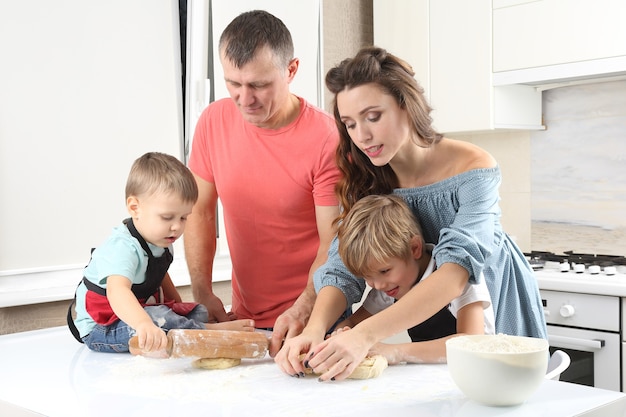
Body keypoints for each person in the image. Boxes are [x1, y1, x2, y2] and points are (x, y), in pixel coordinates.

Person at [275, 46, 547, 380]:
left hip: (492, 300)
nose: (362, 136)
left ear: (406, 105)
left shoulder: (474, 168)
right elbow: (341, 267)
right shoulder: (368, 177)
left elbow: (454, 275)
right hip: (431, 330)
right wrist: (315, 330)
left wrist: (367, 335)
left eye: (373, 117)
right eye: (350, 124)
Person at [184, 10, 341, 356]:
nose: (245, 99)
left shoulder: (327, 139)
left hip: (313, 320)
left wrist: (304, 311)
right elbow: (199, 213)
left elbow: (333, 244)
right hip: (244, 318)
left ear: (291, 70)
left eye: (258, 84)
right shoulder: (212, 121)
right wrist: (202, 290)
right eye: (233, 84)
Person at [67, 152, 253, 354]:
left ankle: (184, 329)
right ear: (135, 208)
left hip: (142, 315)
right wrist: (143, 324)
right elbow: (117, 291)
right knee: (159, 319)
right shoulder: (123, 248)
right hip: (102, 327)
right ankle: (210, 332)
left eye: (183, 218)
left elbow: (160, 276)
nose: (176, 227)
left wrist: (182, 310)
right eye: (167, 217)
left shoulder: (161, 239)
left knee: (198, 311)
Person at [330, 194, 495, 365]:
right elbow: (353, 323)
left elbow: (472, 343)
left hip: (476, 372)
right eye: (367, 277)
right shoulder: (390, 288)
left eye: (385, 271)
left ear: (415, 248)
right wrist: (341, 334)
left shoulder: (459, 276)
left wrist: (395, 352)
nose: (378, 285)